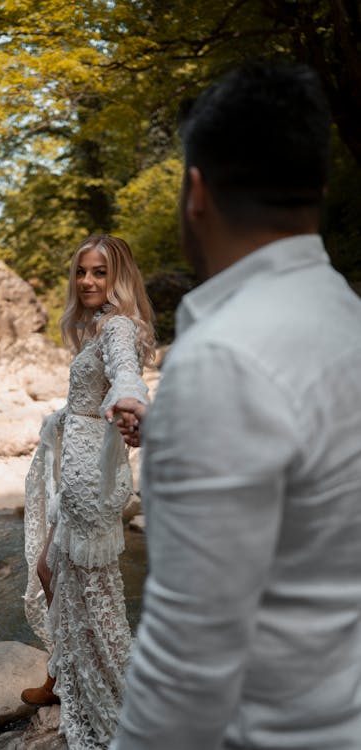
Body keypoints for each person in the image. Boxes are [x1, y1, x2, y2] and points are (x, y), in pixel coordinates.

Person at [108, 61, 361, 749]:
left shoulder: (223, 357)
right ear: (318, 188)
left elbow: (186, 660)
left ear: (196, 192)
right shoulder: (345, 319)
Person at [21, 234, 155, 749]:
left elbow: (127, 375)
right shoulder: (96, 326)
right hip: (75, 465)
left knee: (96, 595)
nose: (88, 281)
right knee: (50, 569)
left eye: (99, 272)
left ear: (117, 277)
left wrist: (128, 400)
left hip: (90, 475)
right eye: (81, 272)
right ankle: (64, 674)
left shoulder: (118, 326)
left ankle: (128, 699)